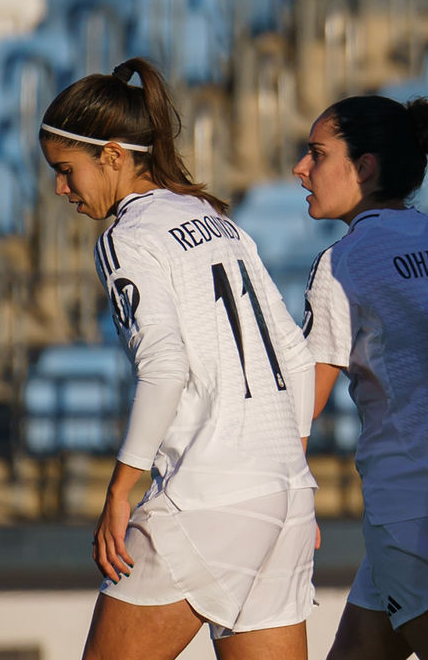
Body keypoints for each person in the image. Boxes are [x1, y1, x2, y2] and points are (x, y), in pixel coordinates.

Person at [40, 58, 317, 660]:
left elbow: (164, 366)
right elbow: (295, 355)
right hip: (285, 496)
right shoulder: (214, 218)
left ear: (113, 155)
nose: (61, 190)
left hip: (208, 495)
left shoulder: (128, 236)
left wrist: (119, 490)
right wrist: (287, 479)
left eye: (66, 171)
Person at [295, 95, 428, 660]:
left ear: (365, 168)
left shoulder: (345, 261)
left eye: (317, 154)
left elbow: (305, 402)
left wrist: (288, 503)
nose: (301, 169)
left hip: (409, 508)